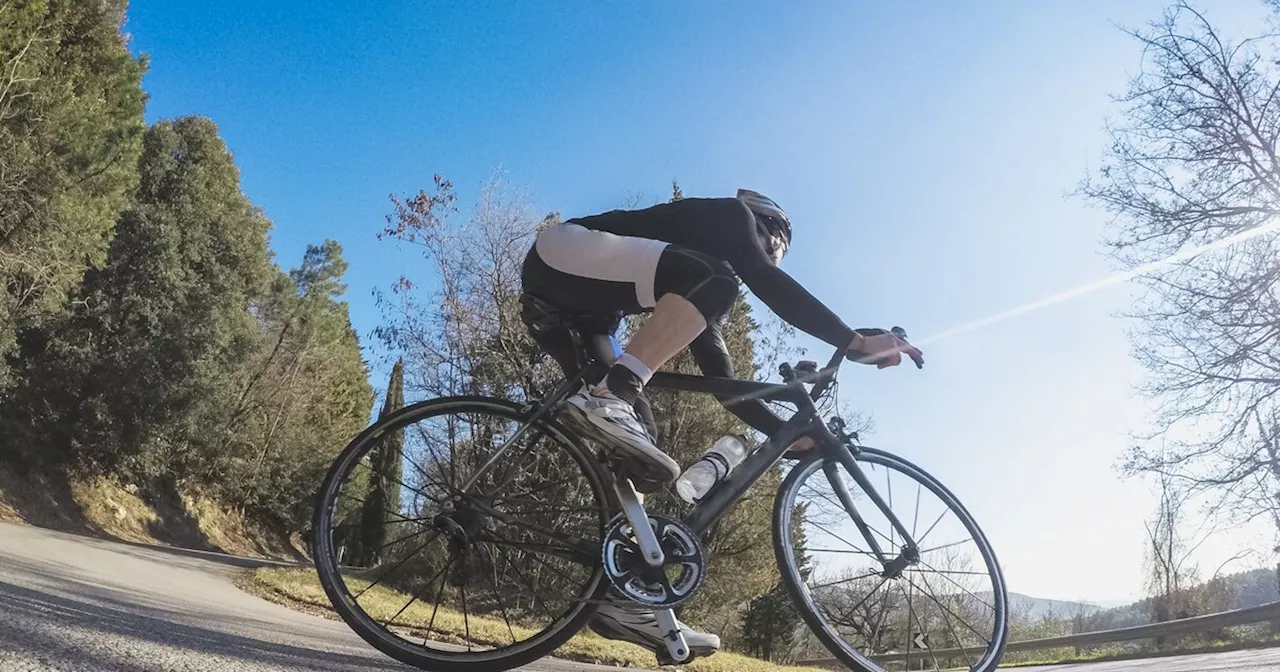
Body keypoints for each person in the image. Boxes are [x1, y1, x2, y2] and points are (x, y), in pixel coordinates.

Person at [518, 189, 924, 662]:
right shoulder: (729, 220)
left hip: (575, 308)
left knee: (637, 445)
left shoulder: (700, 283)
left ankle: (619, 596)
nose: (771, 255)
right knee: (711, 288)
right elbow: (766, 280)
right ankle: (613, 394)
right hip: (564, 253)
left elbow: (724, 385)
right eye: (776, 247)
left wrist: (783, 435)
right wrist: (853, 341)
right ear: (768, 228)